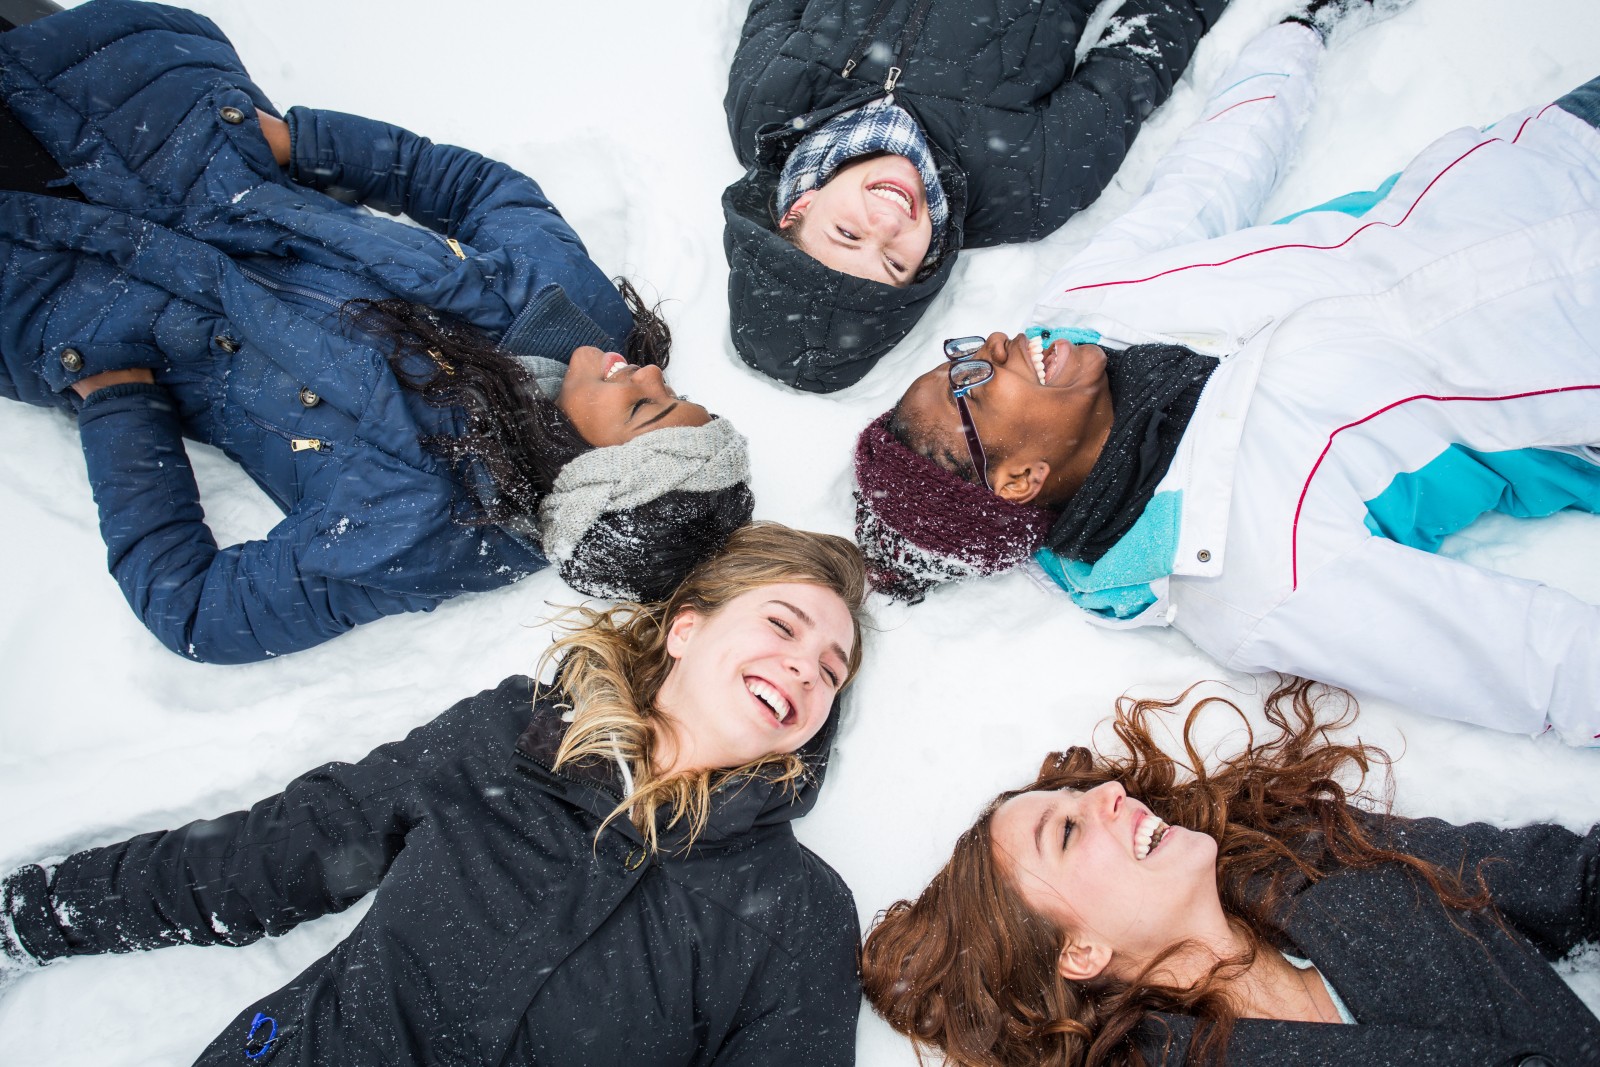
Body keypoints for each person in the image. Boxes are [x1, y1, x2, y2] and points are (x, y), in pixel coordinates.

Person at [850, 11, 1600, 743]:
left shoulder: (1092, 310)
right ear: (1020, 479)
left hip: (1555, 155)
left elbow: (1208, 178)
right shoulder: (1246, 575)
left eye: (960, 354)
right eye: (975, 383)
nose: (996, 343)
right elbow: (1537, 660)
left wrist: (1296, 37)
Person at [0, 0, 754, 664]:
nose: (650, 372)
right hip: (166, 126)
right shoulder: (577, 316)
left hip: (70, 289)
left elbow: (197, 612)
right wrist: (307, 145)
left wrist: (120, 405)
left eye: (645, 409)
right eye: (674, 390)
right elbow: (488, 193)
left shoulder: (420, 529)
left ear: (584, 475)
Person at [0, 522, 868, 1066]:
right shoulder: (515, 738)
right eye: (782, 622)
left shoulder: (797, 913)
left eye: (832, 669)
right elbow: (285, 848)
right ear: (687, 626)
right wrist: (31, 915)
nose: (804, 664)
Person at [859, 678, 1600, 1065]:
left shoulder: (1322, 855)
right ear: (1078, 952)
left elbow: (1575, 881)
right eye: (1069, 828)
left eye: (1086, 792)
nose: (1111, 793)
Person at [721, 0, 1229, 392]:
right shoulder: (1030, 186)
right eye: (896, 263)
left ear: (799, 208)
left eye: (848, 233)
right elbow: (1151, 40)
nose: (888, 226)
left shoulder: (765, 108)